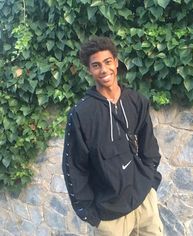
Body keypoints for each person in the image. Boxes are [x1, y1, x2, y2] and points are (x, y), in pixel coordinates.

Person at [62, 36, 164, 236]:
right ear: (89, 70)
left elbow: (149, 147)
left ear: (116, 63)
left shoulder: (136, 101)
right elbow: (74, 167)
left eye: (108, 62)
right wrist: (89, 213)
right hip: (110, 216)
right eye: (96, 65)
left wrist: (150, 183)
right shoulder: (82, 114)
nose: (104, 70)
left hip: (144, 203)